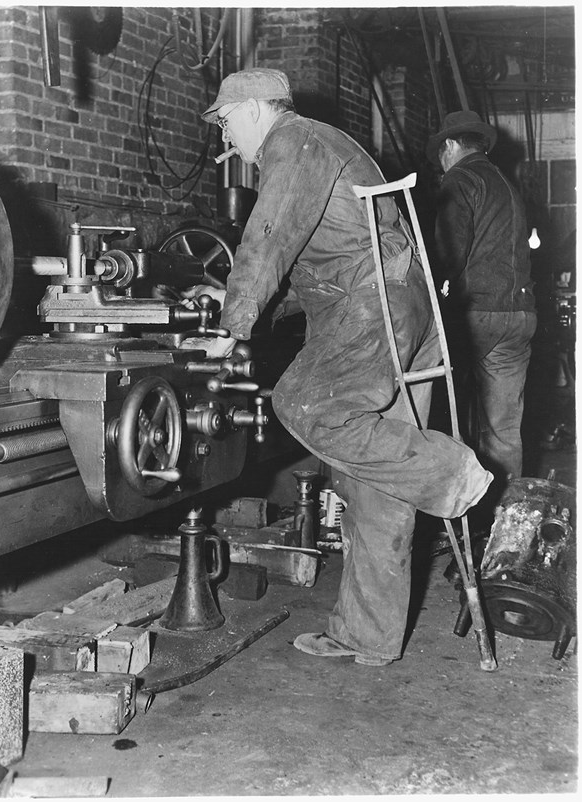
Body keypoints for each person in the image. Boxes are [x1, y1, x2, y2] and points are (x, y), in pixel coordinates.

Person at [183, 68, 492, 666]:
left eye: (226, 123)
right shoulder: (323, 144)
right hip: (400, 306)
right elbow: (314, 265)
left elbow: (269, 237)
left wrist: (233, 324)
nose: (228, 142)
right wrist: (254, 309)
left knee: (301, 403)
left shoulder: (292, 143)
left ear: (251, 110)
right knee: (374, 484)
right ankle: (367, 636)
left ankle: (450, 471)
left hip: (373, 309)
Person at [427, 111, 537, 516]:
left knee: (453, 422)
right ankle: (502, 534)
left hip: (480, 316)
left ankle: (464, 526)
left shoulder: (460, 178)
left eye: (440, 156)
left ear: (451, 146)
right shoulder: (508, 183)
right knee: (504, 431)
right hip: (520, 316)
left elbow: (447, 254)